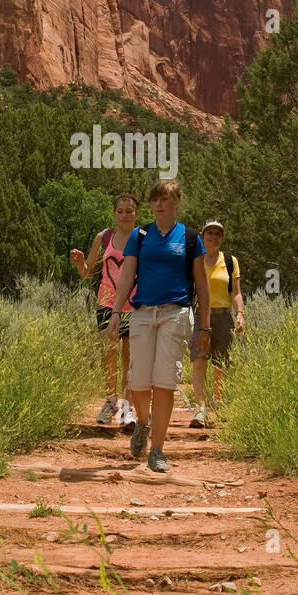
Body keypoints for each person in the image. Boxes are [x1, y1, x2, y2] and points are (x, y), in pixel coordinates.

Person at [105, 179, 211, 473]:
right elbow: (127, 277)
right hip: (141, 313)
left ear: (177, 201)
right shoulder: (139, 236)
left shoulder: (190, 237)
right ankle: (143, 422)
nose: (158, 205)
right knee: (138, 381)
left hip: (174, 314)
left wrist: (205, 326)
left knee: (164, 381)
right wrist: (116, 312)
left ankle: (158, 450)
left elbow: (202, 284)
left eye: (164, 199)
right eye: (154, 200)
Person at [70, 193, 139, 429]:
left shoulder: (142, 238)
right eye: (120, 211)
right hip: (106, 303)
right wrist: (80, 262)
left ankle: (128, 407)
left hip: (134, 304)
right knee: (108, 354)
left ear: (136, 214)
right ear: (114, 213)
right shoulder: (104, 237)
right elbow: (88, 271)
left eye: (129, 211)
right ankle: (110, 401)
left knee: (131, 358)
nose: (125, 215)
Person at [189, 219, 244, 429]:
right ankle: (200, 408)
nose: (213, 237)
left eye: (217, 234)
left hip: (223, 316)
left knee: (221, 364)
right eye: (210, 233)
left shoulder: (230, 261)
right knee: (199, 360)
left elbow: (235, 292)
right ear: (203, 236)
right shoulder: (196, 260)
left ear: (222, 238)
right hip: (200, 314)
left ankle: (218, 403)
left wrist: (239, 313)